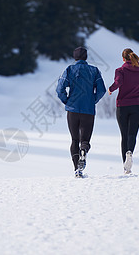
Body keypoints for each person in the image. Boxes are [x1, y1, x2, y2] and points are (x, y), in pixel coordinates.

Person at [56, 46, 106, 178]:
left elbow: (60, 88)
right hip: (88, 110)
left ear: (75, 57)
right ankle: (84, 150)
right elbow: (101, 90)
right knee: (85, 140)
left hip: (72, 110)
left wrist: (66, 101)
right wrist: (92, 100)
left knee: (74, 139)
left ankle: (76, 169)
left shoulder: (69, 70)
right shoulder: (94, 71)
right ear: (86, 57)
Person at [108, 48, 139, 174]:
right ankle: (130, 152)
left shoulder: (120, 70)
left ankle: (126, 168)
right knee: (132, 134)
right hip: (137, 106)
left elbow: (118, 82)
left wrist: (111, 88)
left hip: (122, 106)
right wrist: (136, 88)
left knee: (124, 135)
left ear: (123, 59)